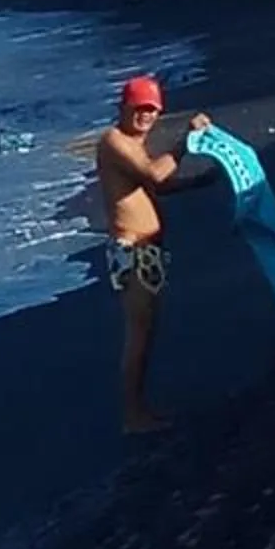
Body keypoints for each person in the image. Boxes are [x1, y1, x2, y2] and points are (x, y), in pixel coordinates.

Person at [96, 74, 212, 434]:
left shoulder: (132, 142)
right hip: (131, 249)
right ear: (124, 107)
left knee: (146, 332)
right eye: (140, 109)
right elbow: (154, 176)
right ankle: (133, 416)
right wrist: (184, 144)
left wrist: (198, 182)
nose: (145, 116)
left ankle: (141, 410)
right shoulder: (114, 141)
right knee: (139, 334)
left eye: (152, 110)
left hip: (147, 250)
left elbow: (152, 187)